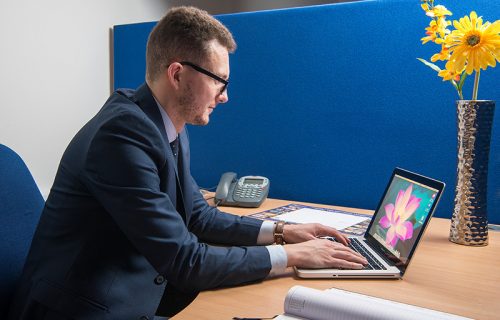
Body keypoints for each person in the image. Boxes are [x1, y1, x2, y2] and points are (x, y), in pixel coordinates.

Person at [8, 6, 367, 320]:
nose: (225, 97)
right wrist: (292, 256)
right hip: (86, 310)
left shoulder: (161, 121)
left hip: (137, 295)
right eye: (219, 82)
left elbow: (197, 216)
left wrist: (282, 232)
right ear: (178, 75)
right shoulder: (121, 136)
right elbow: (184, 260)